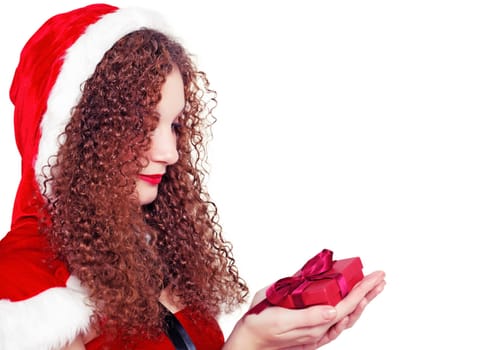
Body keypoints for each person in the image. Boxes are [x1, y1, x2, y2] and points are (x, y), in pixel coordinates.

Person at [0, 3, 386, 349]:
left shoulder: (141, 252)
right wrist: (247, 344)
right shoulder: (27, 296)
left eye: (174, 125)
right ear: (77, 137)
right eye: (139, 126)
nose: (169, 153)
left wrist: (262, 333)